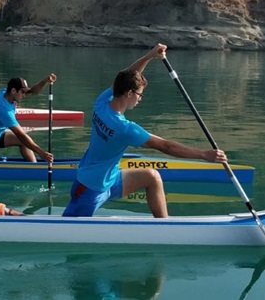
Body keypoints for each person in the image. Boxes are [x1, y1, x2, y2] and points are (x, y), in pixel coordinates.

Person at [63, 43, 227, 219]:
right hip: (90, 189)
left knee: (151, 177)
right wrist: (204, 155)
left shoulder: (101, 103)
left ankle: (164, 226)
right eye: (140, 94)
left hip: (110, 181)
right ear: (129, 94)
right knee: (63, 231)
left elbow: (126, 77)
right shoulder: (125, 129)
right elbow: (166, 146)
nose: (140, 99)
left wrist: (149, 56)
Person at [0, 75, 56, 163]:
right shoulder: (5, 112)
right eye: (22, 92)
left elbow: (32, 92)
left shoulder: (4, 92)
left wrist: (44, 81)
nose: (24, 95)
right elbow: (21, 135)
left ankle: (34, 168)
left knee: (23, 142)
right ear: (13, 91)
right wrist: (41, 153)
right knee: (23, 138)